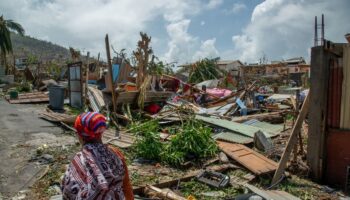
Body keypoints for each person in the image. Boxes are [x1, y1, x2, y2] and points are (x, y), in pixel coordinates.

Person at [61, 112, 134, 200]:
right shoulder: (115, 154)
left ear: (79, 135)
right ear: (101, 133)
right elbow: (126, 187)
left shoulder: (79, 159)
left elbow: (67, 191)